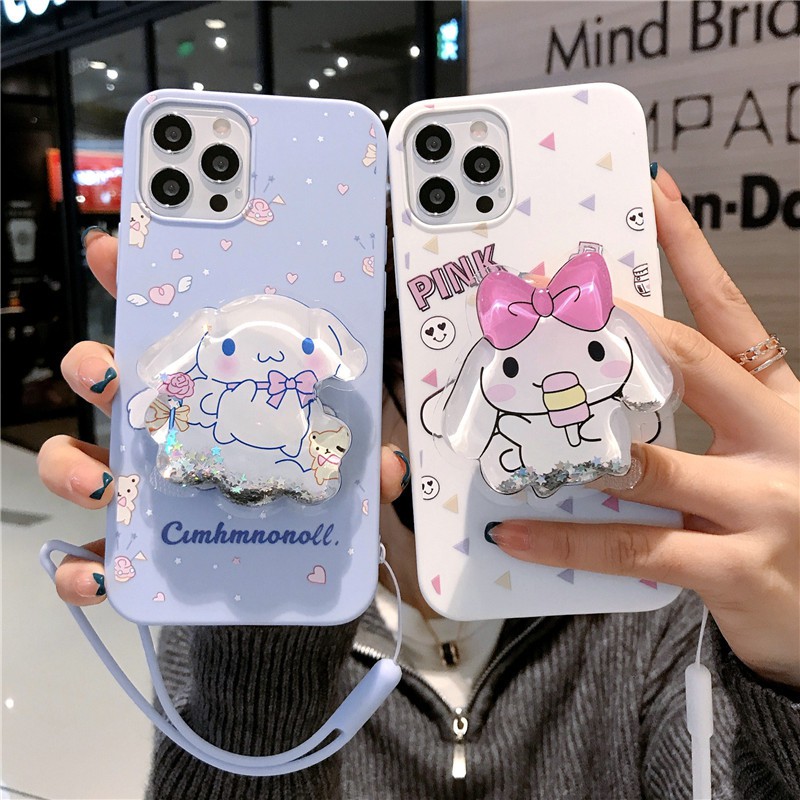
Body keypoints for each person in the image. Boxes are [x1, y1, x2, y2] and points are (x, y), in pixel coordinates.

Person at [38, 167, 799, 799]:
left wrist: (791, 671)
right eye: (403, 371)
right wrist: (272, 627)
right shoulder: (231, 601)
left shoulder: (649, 608)